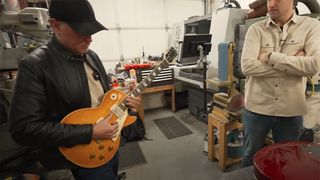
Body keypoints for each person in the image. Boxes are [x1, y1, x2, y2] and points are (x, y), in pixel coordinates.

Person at [8, 0, 141, 179]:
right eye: (81, 31)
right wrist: (90, 132)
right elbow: (23, 129)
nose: (89, 38)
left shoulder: (92, 56)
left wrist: (127, 103)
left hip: (108, 147)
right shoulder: (35, 66)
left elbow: (104, 101)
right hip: (74, 161)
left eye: (91, 31)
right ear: (55, 25)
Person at [241, 0, 320, 167]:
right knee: (250, 157)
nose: (272, 4)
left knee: (287, 160)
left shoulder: (311, 26)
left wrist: (270, 57)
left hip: (291, 111)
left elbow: (314, 66)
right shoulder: (256, 29)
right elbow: (247, 67)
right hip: (256, 109)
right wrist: (295, 65)